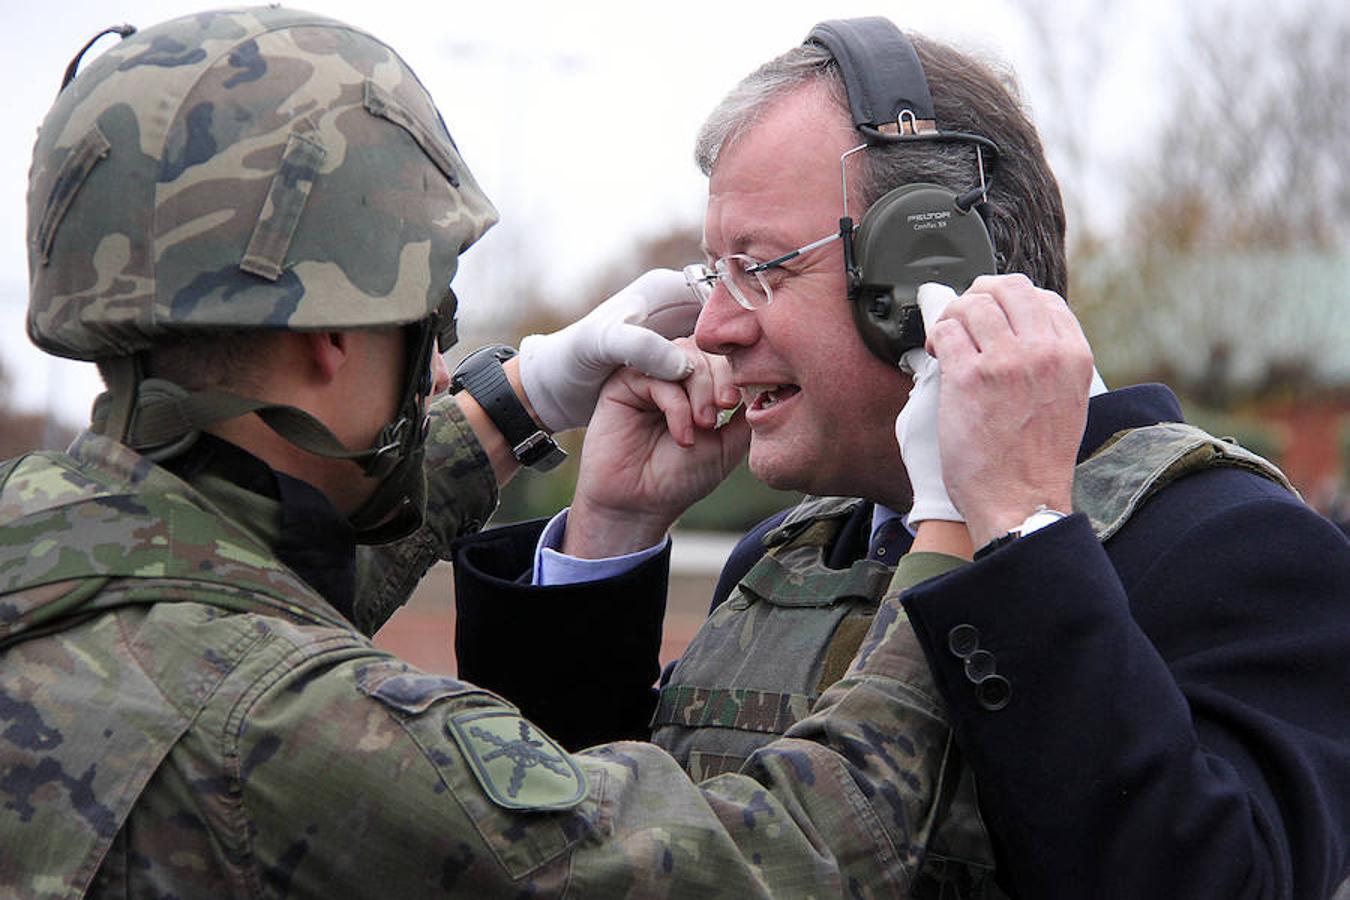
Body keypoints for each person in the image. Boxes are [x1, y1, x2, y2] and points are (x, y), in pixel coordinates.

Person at [0, 9, 985, 897]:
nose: (437, 372)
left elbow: (238, 567)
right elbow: (778, 862)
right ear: (328, 337)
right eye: (430, 325)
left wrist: (516, 404)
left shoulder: (42, 550)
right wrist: (952, 527)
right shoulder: (278, 727)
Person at [452, 18, 1350, 899]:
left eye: (761, 270)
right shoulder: (785, 559)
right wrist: (612, 530)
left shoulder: (1240, 548)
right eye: (712, 273)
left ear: (936, 268)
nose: (716, 328)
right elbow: (581, 856)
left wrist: (1023, 541)